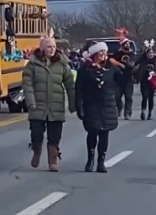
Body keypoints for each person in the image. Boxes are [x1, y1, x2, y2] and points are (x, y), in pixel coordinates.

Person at [22, 33, 75, 172]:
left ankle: (53, 160)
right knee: (37, 133)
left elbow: (70, 84)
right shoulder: (32, 64)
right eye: (49, 46)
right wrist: (31, 102)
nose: (52, 49)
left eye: (53, 46)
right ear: (42, 49)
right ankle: (37, 151)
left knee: (55, 135)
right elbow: (27, 85)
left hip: (56, 106)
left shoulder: (62, 64)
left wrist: (73, 103)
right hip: (38, 106)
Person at [75, 42, 120, 173]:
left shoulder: (111, 68)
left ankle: (101, 161)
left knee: (104, 134)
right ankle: (90, 160)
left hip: (107, 104)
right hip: (91, 104)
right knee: (92, 132)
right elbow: (79, 89)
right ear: (94, 54)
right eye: (100, 52)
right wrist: (79, 105)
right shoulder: (85, 69)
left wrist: (120, 64)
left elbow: (125, 78)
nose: (103, 55)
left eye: (104, 52)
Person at [110, 39, 136, 120]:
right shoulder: (118, 54)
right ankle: (119, 107)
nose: (128, 45)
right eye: (126, 43)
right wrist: (120, 64)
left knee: (128, 97)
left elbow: (133, 63)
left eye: (128, 43)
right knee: (117, 96)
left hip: (128, 78)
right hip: (119, 78)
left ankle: (127, 113)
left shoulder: (132, 54)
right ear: (122, 45)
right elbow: (111, 60)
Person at [136, 43, 156, 120]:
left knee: (151, 98)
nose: (151, 55)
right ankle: (143, 111)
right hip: (144, 80)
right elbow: (137, 67)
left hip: (152, 81)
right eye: (149, 53)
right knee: (145, 97)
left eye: (152, 53)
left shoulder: (155, 60)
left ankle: (150, 113)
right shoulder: (142, 60)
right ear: (146, 54)